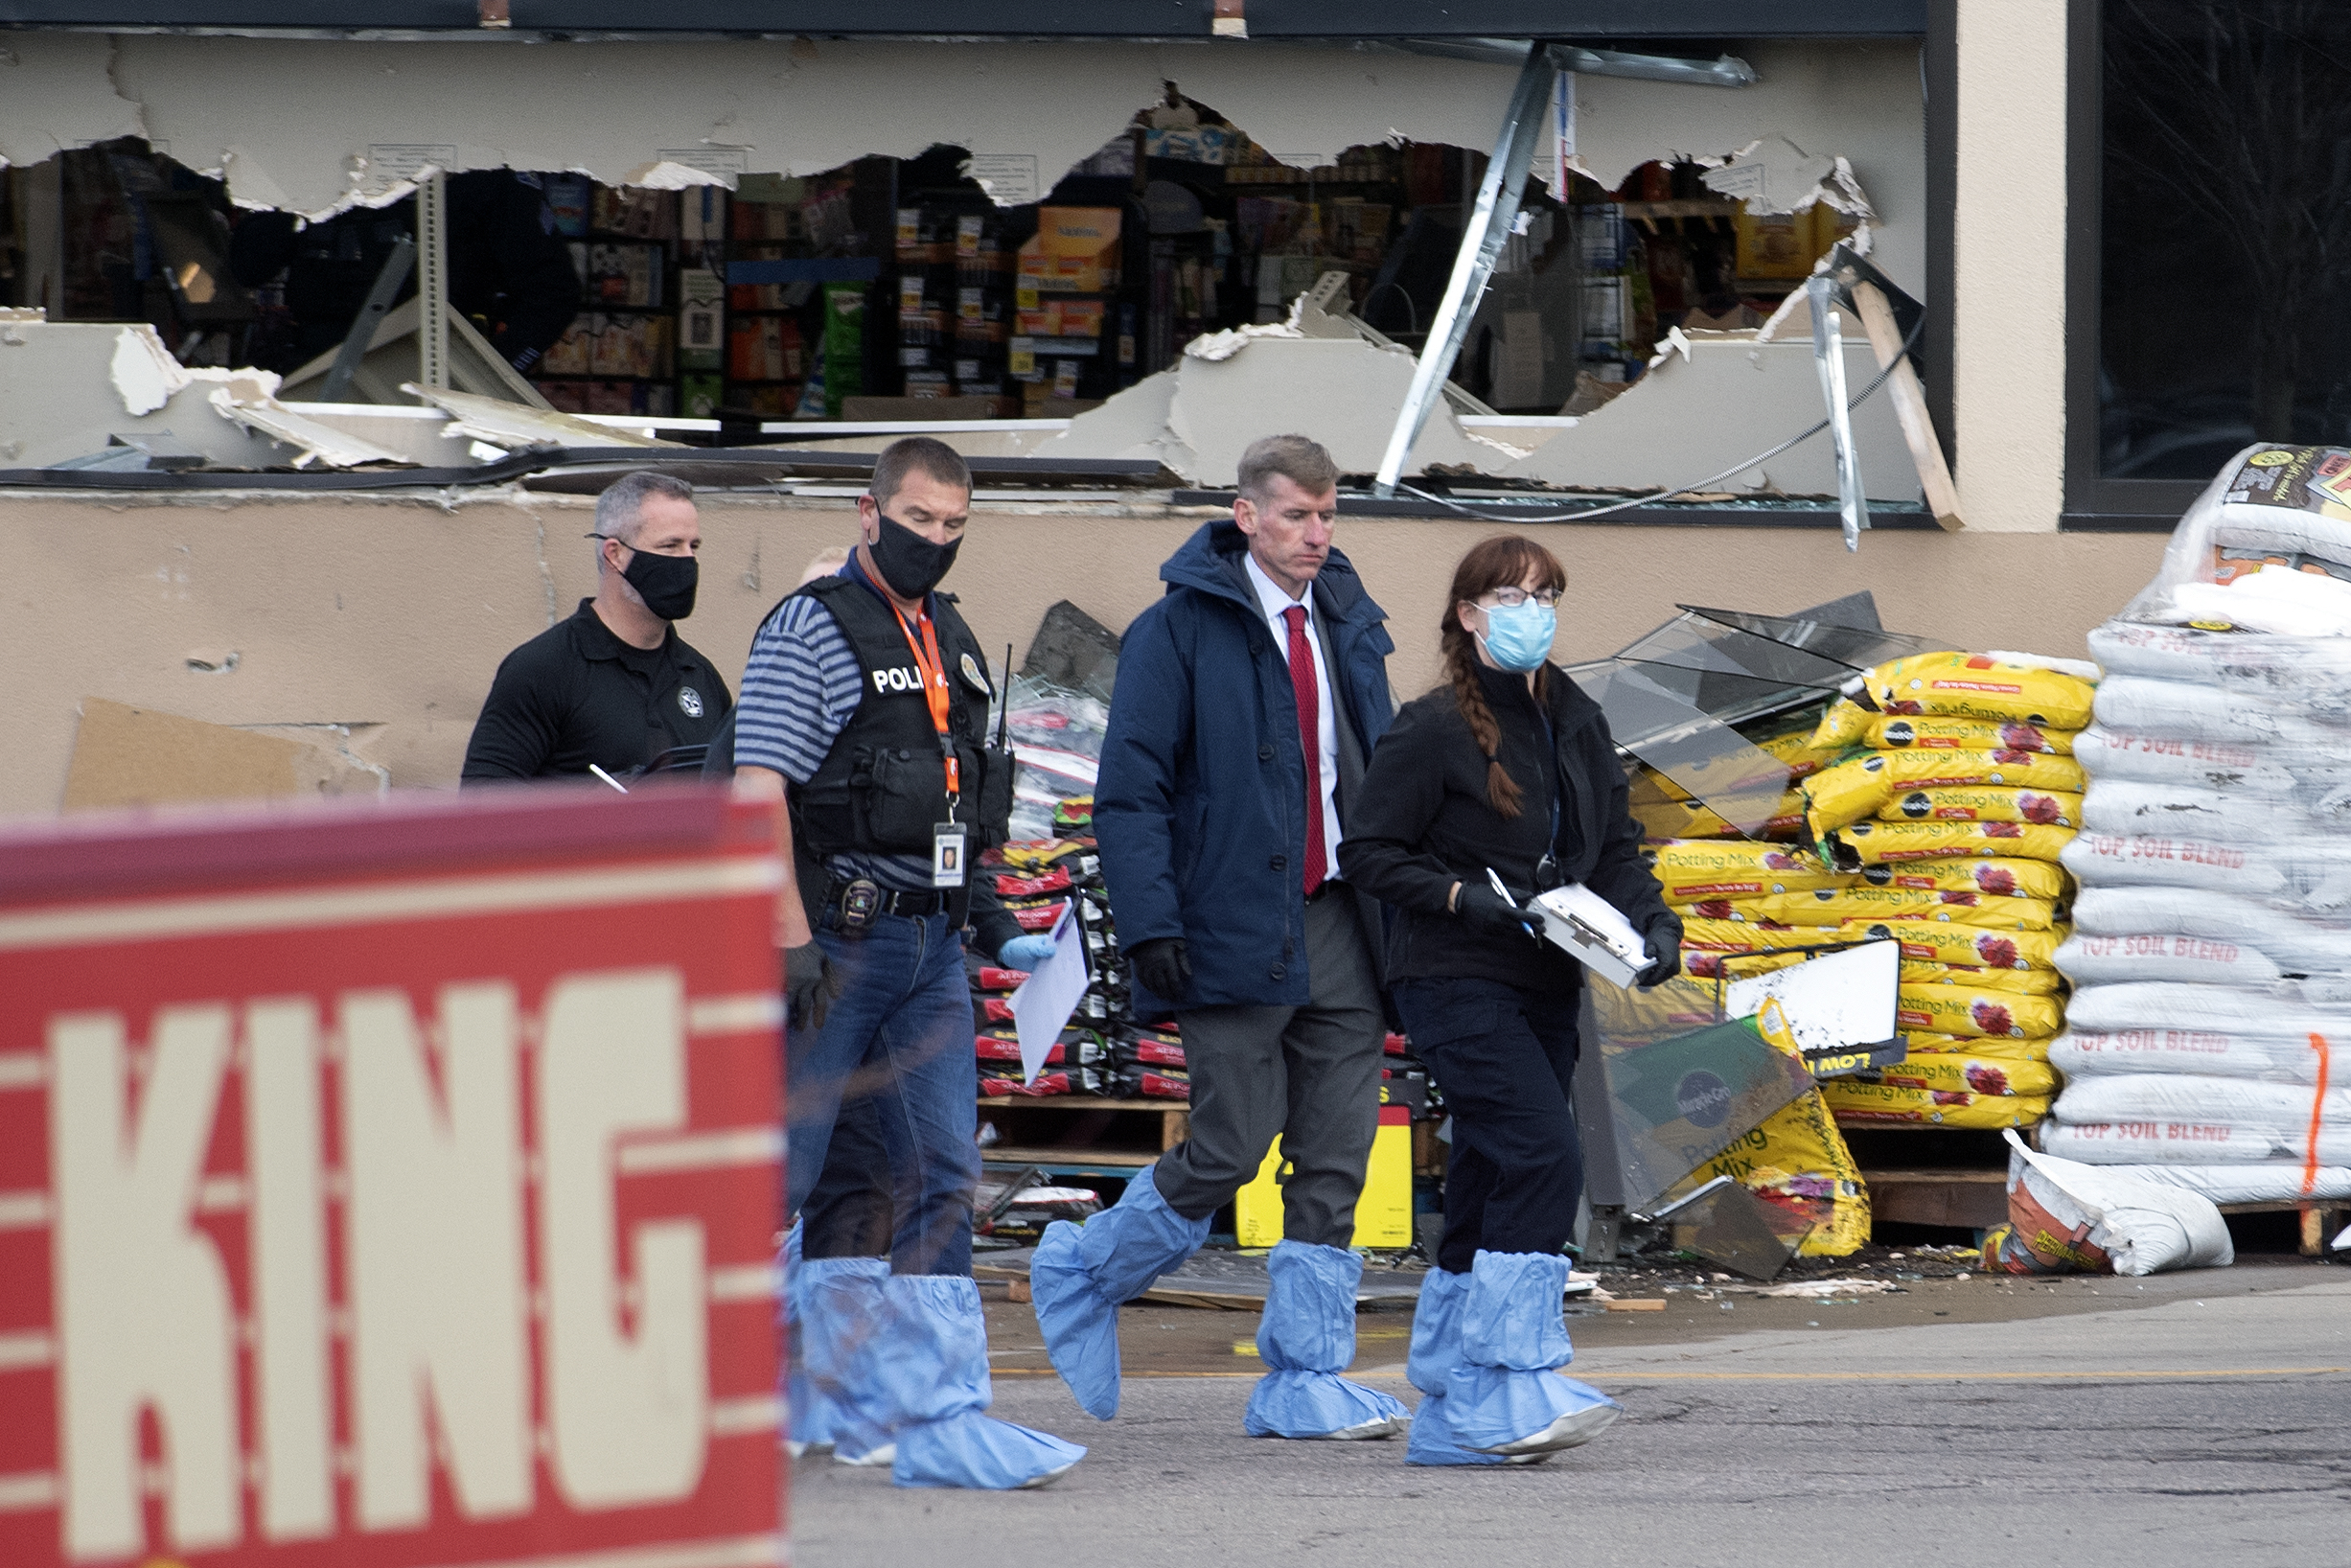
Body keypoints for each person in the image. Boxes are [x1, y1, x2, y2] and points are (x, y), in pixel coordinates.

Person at [1031, 434, 1410, 1441]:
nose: (1316, 535)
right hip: (1228, 925)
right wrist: (1153, 921)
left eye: (1328, 516)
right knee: (1230, 1146)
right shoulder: (1176, 629)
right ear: (1245, 516)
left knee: (1336, 1153)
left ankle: (1302, 1376)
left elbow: (1372, 769)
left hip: (1338, 919)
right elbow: (1129, 792)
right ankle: (1084, 1266)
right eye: (1296, 515)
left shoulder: (1347, 619)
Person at [729, 437, 1081, 1489]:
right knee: (779, 1179)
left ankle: (927, 1412)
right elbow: (757, 796)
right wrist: (789, 943)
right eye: (917, 519)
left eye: (952, 526)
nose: (933, 539)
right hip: (834, 937)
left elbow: (956, 805)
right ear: (867, 510)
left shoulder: (951, 633)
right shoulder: (810, 629)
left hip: (927, 945)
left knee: (933, 1173)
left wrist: (991, 925)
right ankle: (719, 1395)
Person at [1338, 534, 1683, 1466]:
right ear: (1467, 614)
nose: (1531, 612)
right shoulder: (1429, 727)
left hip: (1545, 975)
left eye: (1545, 596)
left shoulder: (1569, 713)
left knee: (1494, 1168)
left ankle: (1449, 1396)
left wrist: (1652, 929)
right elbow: (1366, 853)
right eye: (1510, 596)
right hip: (1450, 973)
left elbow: (1612, 847)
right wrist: (1464, 895)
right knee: (1543, 1155)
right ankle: (1509, 1373)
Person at [461, 471, 730, 783]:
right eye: (670, 546)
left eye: (693, 546)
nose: (687, 561)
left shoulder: (701, 677)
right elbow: (483, 801)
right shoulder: (543, 669)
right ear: (615, 554)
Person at [230, 170, 581, 376]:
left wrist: (488, 378)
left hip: (432, 372)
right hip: (313, 363)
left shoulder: (479, 170)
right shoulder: (315, 157)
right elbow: (246, 267)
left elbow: (553, 293)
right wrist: (296, 193)